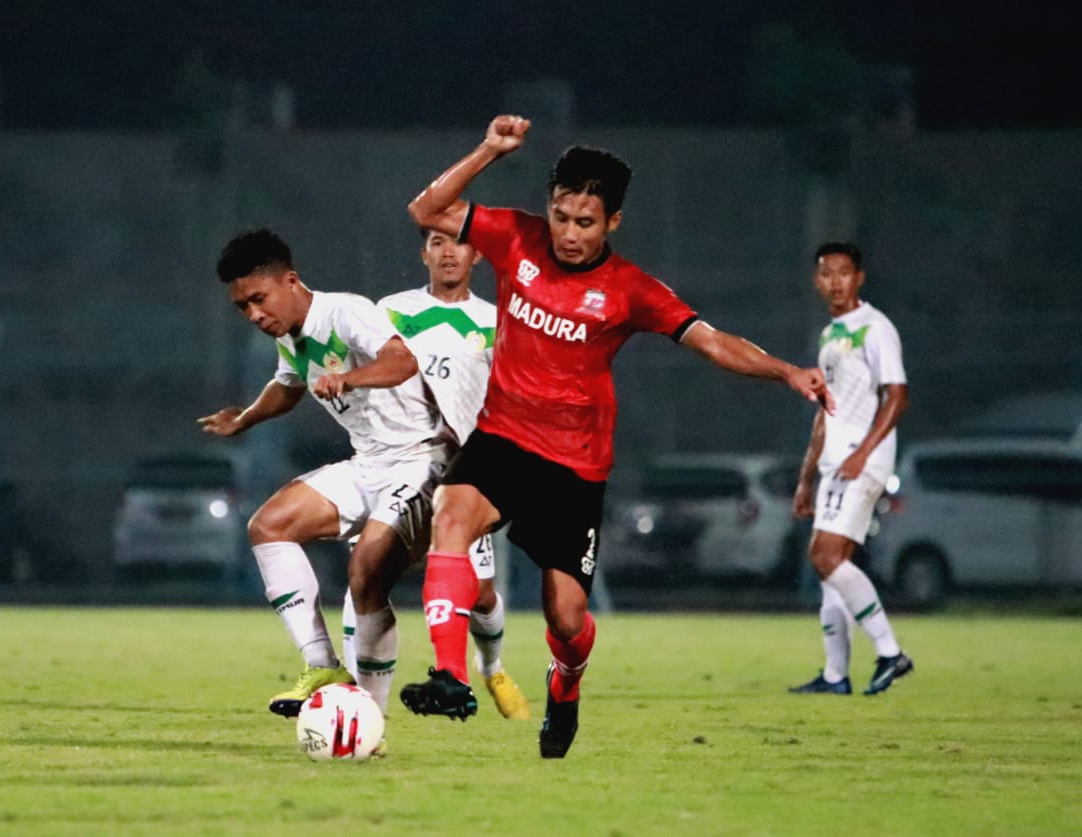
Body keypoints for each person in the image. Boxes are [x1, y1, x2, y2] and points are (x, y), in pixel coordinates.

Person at [397, 115, 833, 758]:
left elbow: (712, 342)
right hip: (502, 436)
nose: (569, 234)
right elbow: (426, 208)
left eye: (585, 222)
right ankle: (451, 678)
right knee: (450, 515)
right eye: (561, 216)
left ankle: (565, 685)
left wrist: (786, 371)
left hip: (573, 468)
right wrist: (491, 150)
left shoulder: (630, 290)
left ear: (613, 224)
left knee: (565, 618)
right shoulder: (515, 237)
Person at [198, 227, 451, 718]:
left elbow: (402, 360)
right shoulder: (290, 335)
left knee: (365, 572)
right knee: (268, 525)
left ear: (290, 281)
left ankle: (366, 717)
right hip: (370, 464)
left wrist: (349, 377)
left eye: (258, 299)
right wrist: (245, 419)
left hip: (423, 462)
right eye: (242, 307)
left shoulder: (344, 311)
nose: (254, 315)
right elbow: (288, 384)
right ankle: (322, 666)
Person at [373, 227, 531, 720]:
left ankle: (492, 667)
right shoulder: (391, 311)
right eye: (437, 242)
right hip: (401, 461)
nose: (447, 252)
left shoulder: (495, 321)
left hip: (464, 471)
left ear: (477, 253)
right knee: (370, 569)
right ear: (423, 252)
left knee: (481, 594)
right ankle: (362, 688)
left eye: (458, 243)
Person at [789, 242, 912, 696]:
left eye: (844, 273)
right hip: (834, 464)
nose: (835, 282)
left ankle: (889, 652)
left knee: (823, 557)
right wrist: (807, 476)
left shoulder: (875, 327)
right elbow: (826, 412)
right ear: (817, 280)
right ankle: (835, 676)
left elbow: (897, 396)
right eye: (826, 274)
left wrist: (863, 453)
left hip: (861, 460)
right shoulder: (830, 335)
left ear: (859, 276)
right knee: (831, 572)